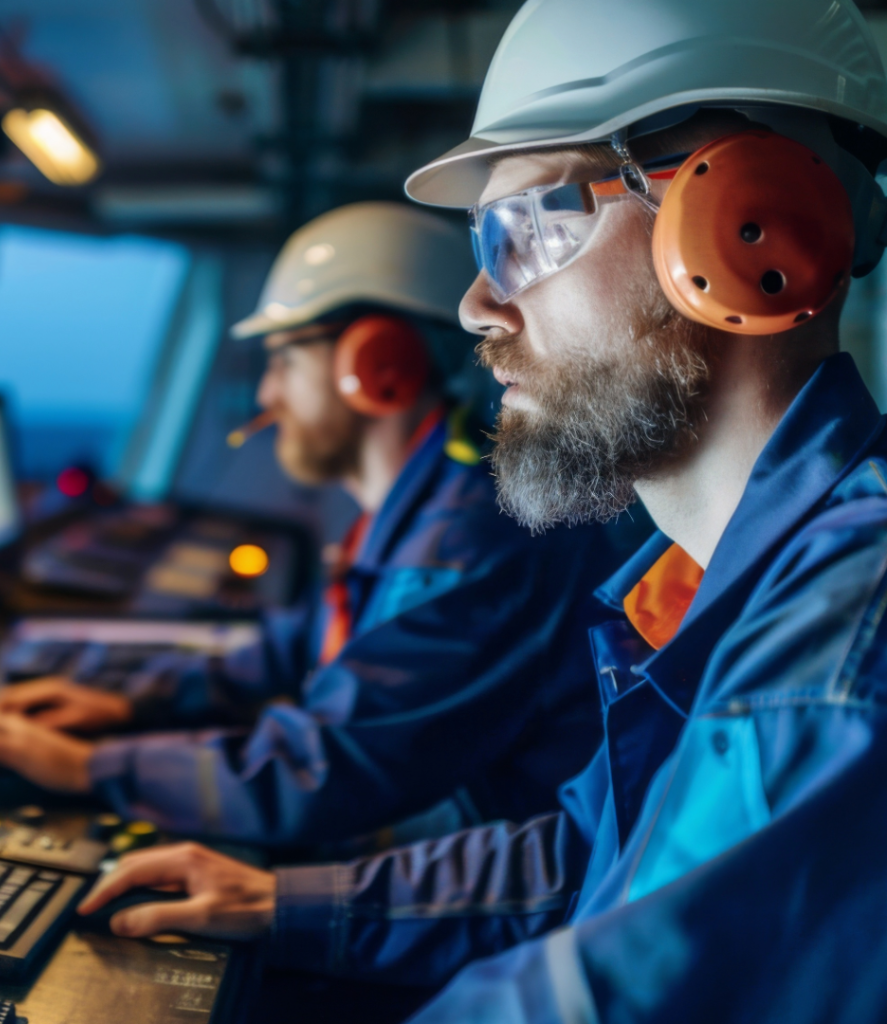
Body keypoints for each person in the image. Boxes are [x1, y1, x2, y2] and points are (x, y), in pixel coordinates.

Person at [76, 1, 887, 1019]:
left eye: (529, 227)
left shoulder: (840, 649)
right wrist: (286, 901)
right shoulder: (711, 585)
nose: (475, 306)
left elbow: (600, 996)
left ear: (751, 225)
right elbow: (597, 855)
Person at [0, 201, 631, 848]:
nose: (265, 395)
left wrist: (90, 769)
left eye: (283, 359)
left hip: (487, 864)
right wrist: (132, 702)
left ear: (376, 365)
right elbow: (303, 642)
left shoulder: (471, 534)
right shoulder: (424, 502)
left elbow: (326, 769)